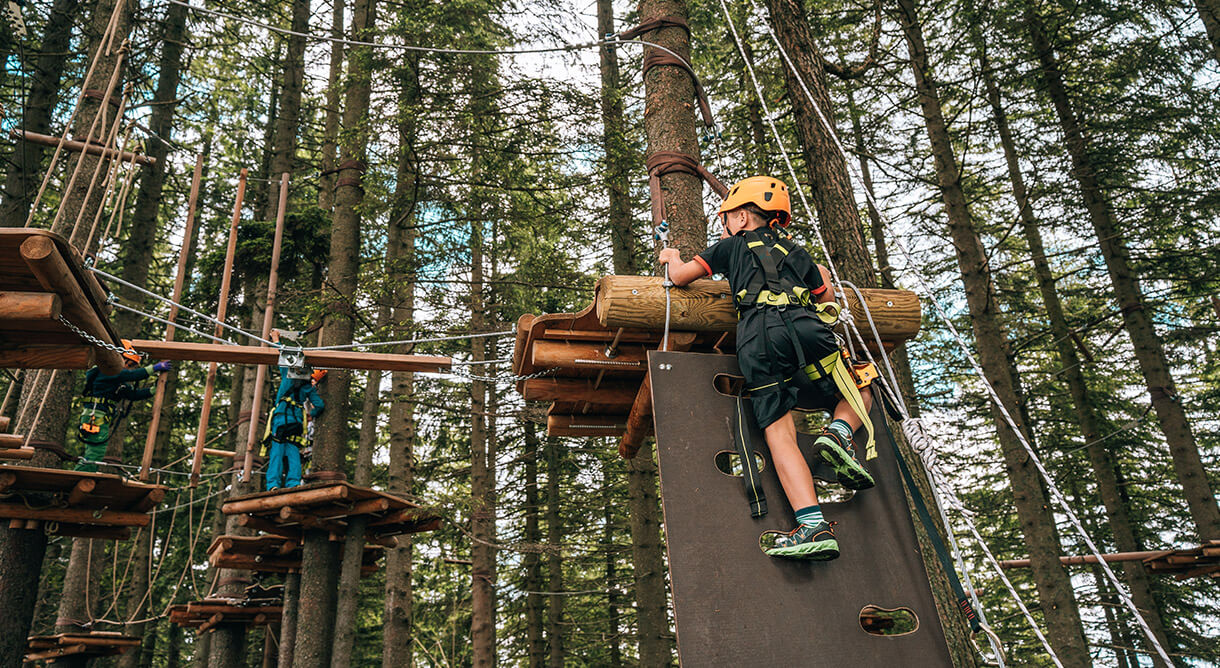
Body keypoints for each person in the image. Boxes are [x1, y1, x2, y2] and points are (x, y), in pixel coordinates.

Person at [659, 175, 876, 561]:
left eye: (727, 217)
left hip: (760, 335)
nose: (725, 223)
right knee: (859, 386)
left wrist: (671, 258)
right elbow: (824, 293)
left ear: (741, 217)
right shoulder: (798, 252)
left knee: (779, 429)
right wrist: (818, 278)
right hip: (808, 327)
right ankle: (840, 433)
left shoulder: (729, 247)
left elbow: (679, 279)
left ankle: (812, 525)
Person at [76, 341, 172, 472]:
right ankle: (83, 473)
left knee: (95, 451)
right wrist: (154, 368)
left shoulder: (115, 381)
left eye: (131, 365)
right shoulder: (106, 370)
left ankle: (85, 472)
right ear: (117, 357)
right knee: (96, 452)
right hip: (95, 417)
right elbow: (131, 376)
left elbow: (132, 394)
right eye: (129, 363)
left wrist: (155, 390)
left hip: (98, 417)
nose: (128, 367)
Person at [262, 365, 325, 491]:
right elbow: (319, 405)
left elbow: (282, 357)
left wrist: (277, 344)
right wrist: (310, 415)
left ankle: (273, 484)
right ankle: (293, 483)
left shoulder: (287, 375)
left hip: (281, 420)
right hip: (296, 423)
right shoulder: (308, 388)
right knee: (293, 452)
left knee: (277, 453)